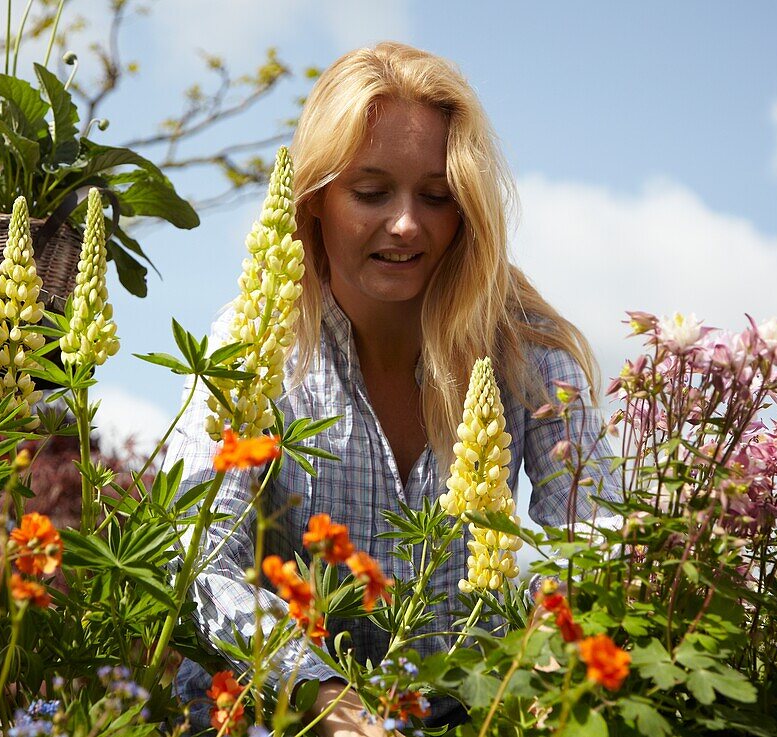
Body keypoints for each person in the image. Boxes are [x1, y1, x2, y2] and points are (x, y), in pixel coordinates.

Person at [166, 41, 619, 735]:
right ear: (316, 200)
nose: (406, 223)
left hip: (468, 710)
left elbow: (596, 540)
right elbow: (200, 557)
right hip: (277, 709)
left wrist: (548, 644)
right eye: (371, 192)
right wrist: (319, 694)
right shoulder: (254, 342)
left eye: (436, 197)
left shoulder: (525, 346)